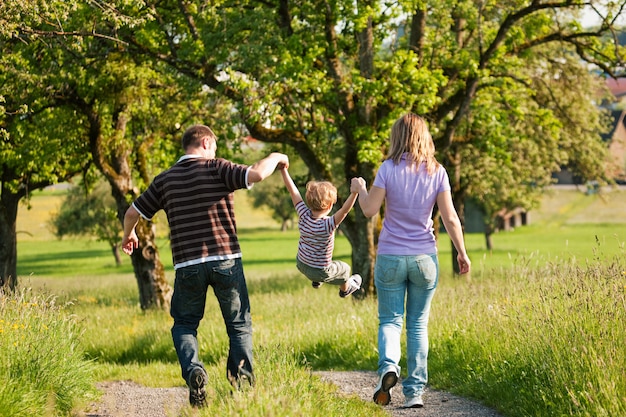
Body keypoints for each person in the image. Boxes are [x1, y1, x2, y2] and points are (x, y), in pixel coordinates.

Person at [121, 124, 289, 407]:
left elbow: (131, 212)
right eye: (215, 145)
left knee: (185, 324)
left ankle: (194, 370)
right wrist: (275, 155)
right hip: (226, 259)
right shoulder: (217, 167)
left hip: (187, 265)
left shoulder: (165, 179)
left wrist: (129, 234)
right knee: (238, 325)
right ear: (207, 142)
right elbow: (258, 173)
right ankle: (243, 391)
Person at [350, 113, 471, 409]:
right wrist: (462, 252)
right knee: (418, 325)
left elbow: (369, 210)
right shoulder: (437, 171)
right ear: (425, 136)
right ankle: (414, 392)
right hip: (424, 259)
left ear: (397, 137)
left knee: (391, 321)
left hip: (391, 256)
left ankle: (389, 369)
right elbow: (451, 217)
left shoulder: (388, 169)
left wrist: (359, 189)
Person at [280, 166, 362, 297]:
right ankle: (346, 289)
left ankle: (316, 281)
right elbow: (345, 210)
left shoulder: (303, 214)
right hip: (320, 271)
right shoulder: (328, 224)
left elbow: (293, 191)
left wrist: (283, 170)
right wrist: (354, 193)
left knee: (317, 261)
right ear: (330, 206)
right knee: (345, 268)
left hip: (301, 264)